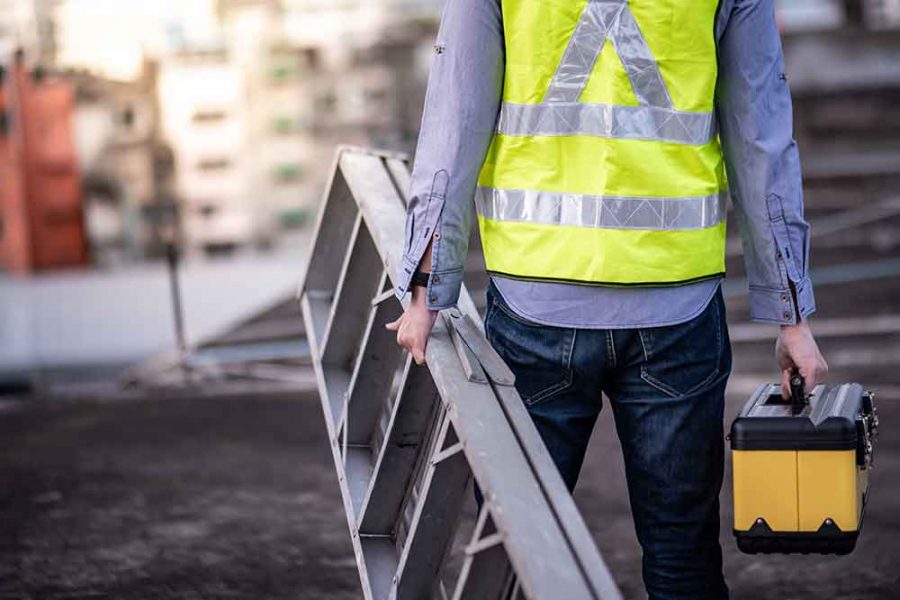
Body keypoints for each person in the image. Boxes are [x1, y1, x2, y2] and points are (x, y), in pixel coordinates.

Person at [386, 0, 828, 597]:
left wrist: (425, 292)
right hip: (677, 308)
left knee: (513, 548)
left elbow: (453, 123)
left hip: (535, 303)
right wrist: (791, 317)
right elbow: (762, 142)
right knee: (682, 554)